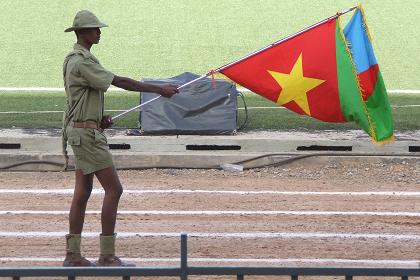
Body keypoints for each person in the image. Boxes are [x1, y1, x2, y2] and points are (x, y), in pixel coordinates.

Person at [62, 10, 178, 267]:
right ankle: (106, 255)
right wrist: (159, 89)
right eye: (94, 29)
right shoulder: (83, 61)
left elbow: (81, 100)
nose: (99, 32)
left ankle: (73, 254)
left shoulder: (77, 58)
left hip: (83, 130)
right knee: (114, 190)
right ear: (82, 33)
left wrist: (98, 118)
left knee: (82, 192)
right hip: (87, 136)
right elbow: (120, 81)